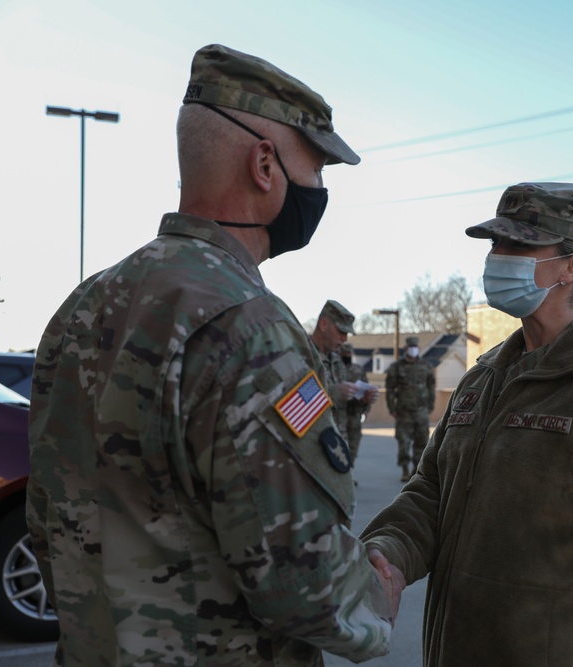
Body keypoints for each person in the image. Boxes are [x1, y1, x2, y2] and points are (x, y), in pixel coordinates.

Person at [24, 44, 397, 665]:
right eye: (317, 169)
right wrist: (377, 598)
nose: (319, 190)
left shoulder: (84, 306)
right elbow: (299, 580)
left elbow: (48, 523)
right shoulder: (250, 326)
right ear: (264, 165)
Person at [361, 182, 573, 666]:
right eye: (496, 244)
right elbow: (431, 492)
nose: (498, 257)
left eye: (519, 245)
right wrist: (386, 556)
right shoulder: (484, 374)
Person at [385, 335, 436, 481]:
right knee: (404, 442)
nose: (413, 349)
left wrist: (431, 405)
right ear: (406, 348)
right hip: (403, 411)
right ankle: (405, 469)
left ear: (418, 348)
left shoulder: (426, 365)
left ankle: (416, 470)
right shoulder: (396, 367)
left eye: (415, 347)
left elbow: (431, 386)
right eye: (410, 347)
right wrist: (392, 408)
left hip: (421, 411)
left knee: (422, 441)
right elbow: (390, 389)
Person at [311, 299, 359, 439]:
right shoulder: (302, 356)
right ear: (324, 324)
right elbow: (294, 402)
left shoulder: (337, 361)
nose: (344, 339)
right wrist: (334, 392)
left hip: (338, 441)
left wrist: (361, 400)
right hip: (313, 443)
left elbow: (344, 407)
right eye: (341, 331)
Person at [340, 341, 376, 465]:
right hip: (339, 414)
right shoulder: (335, 369)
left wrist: (366, 410)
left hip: (355, 413)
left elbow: (367, 390)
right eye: (344, 353)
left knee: (353, 446)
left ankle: (350, 472)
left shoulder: (358, 370)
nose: (347, 355)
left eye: (349, 353)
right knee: (339, 448)